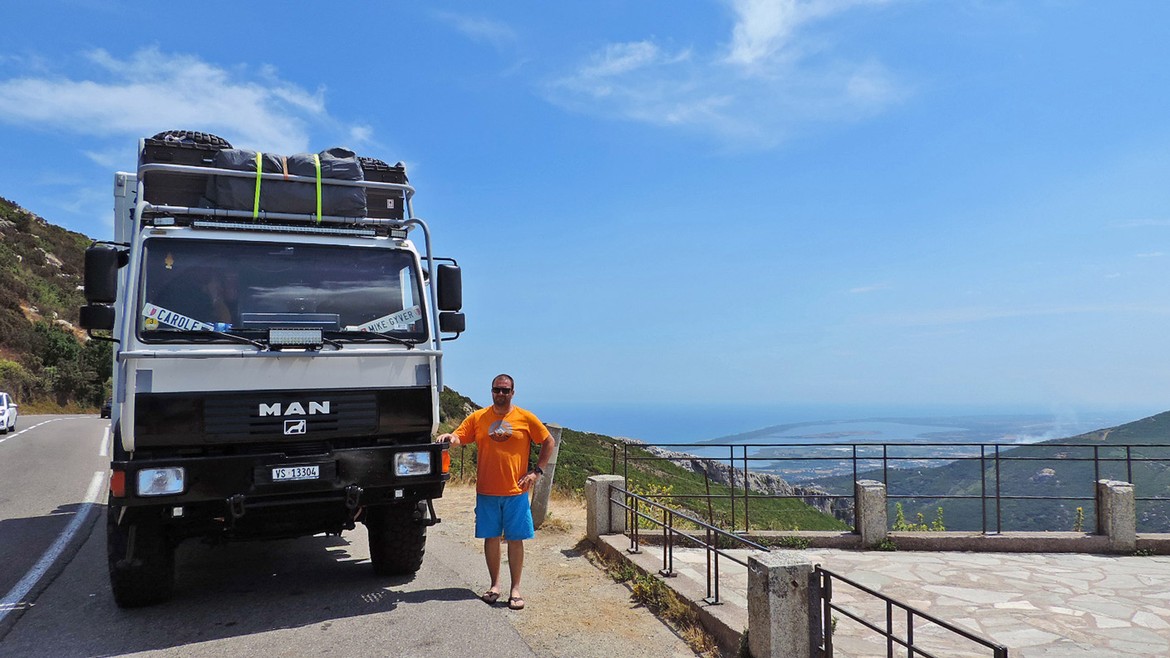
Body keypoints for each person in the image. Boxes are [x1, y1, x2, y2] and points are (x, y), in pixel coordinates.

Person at [437, 374, 554, 611]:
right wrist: (450, 437)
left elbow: (548, 441)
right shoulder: (479, 417)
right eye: (497, 390)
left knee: (515, 540)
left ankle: (516, 590)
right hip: (487, 491)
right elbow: (459, 437)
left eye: (505, 390)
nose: (501, 394)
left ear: (513, 392)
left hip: (516, 491)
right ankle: (494, 586)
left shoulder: (525, 417)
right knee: (491, 538)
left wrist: (537, 472)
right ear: (491, 391)